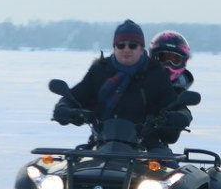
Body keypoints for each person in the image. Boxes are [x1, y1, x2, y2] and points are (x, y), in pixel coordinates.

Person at [52, 20, 186, 146]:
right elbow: (75, 96)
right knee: (67, 168)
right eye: (121, 45)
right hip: (101, 144)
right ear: (114, 48)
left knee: (170, 168)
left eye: (132, 45)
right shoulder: (100, 71)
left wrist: (177, 117)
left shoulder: (156, 74)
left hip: (147, 147)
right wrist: (64, 109)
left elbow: (175, 105)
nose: (126, 49)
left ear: (141, 49)